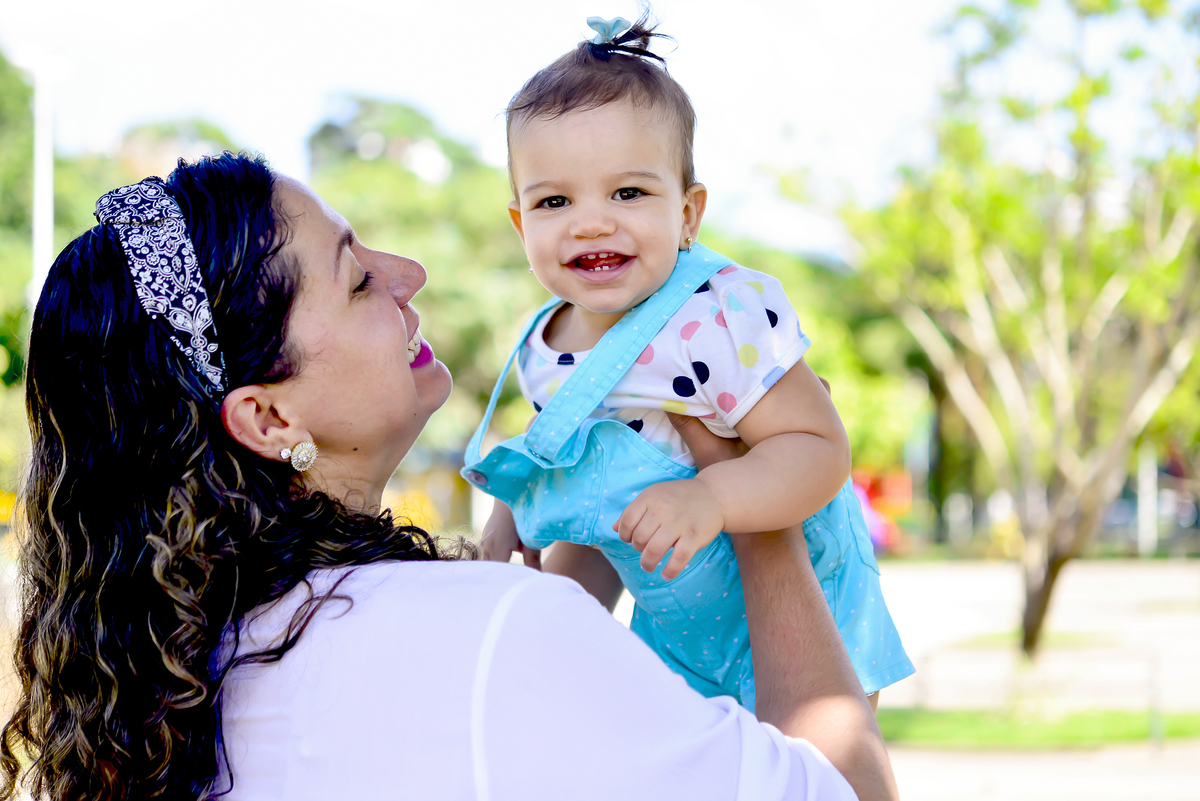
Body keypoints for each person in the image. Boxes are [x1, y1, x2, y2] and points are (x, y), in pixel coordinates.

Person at [0, 152, 897, 800]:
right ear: (268, 418)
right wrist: (754, 485)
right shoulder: (493, 632)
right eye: (356, 279)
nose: (408, 274)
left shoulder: (167, 693)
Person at [463, 15, 913, 712]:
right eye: (555, 200)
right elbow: (580, 468)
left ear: (688, 214)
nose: (590, 221)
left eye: (629, 193)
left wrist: (714, 496)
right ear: (522, 224)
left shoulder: (719, 316)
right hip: (679, 621)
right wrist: (513, 513)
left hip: (802, 609)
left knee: (811, 776)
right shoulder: (543, 346)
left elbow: (820, 450)